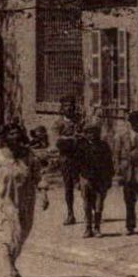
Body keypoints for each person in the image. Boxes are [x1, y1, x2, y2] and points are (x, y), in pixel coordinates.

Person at [0, 123, 51, 277]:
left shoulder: (29, 156)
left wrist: (44, 194)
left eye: (17, 133)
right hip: (3, 201)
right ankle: (8, 271)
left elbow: (38, 176)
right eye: (11, 134)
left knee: (21, 236)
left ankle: (11, 265)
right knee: (7, 236)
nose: (15, 137)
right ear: (6, 137)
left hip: (25, 201)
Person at [74, 121, 114, 238]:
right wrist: (77, 180)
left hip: (100, 179)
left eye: (94, 132)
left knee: (99, 204)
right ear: (85, 134)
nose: (92, 135)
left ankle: (97, 228)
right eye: (89, 133)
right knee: (86, 204)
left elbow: (109, 163)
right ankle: (88, 228)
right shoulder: (81, 146)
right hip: (85, 178)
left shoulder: (104, 146)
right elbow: (76, 164)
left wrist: (109, 178)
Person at [53, 95, 83, 225]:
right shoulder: (58, 123)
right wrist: (72, 139)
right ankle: (70, 214)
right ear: (62, 108)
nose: (69, 107)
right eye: (66, 105)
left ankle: (91, 210)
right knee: (68, 187)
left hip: (81, 157)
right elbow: (56, 140)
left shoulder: (80, 121)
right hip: (66, 158)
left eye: (71, 105)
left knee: (85, 184)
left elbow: (86, 135)